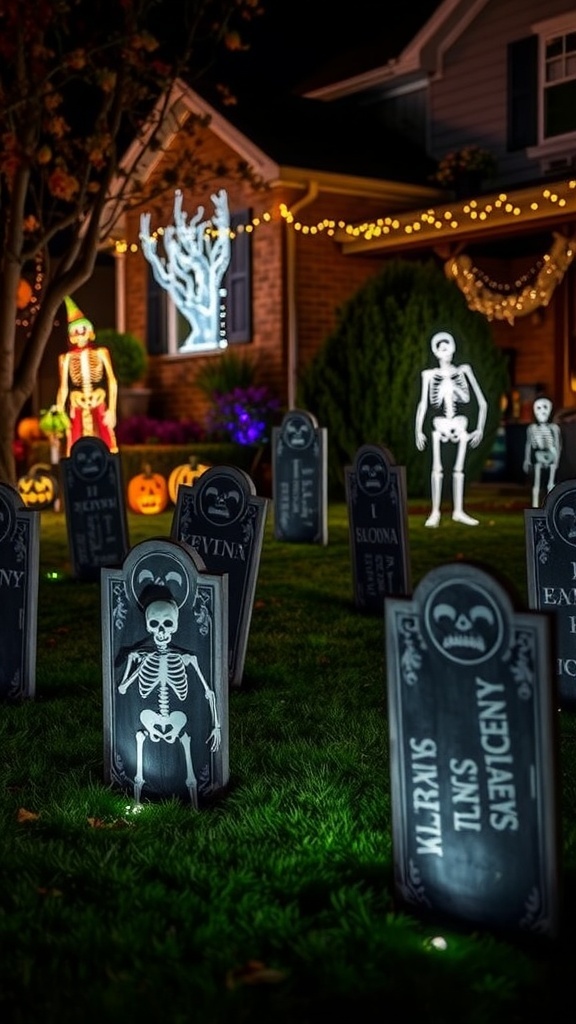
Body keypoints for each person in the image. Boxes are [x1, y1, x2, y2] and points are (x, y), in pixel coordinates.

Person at [415, 330, 487, 527]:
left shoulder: (463, 371)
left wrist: (479, 428)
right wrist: (418, 430)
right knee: (436, 468)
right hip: (440, 425)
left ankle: (458, 511)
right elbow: (423, 404)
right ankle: (435, 512)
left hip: (459, 424)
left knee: (458, 470)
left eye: (448, 347)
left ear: (453, 349)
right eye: (441, 348)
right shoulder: (429, 375)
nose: (445, 352)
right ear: (436, 352)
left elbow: (481, 402)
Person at [56, 296, 118, 456]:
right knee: (74, 440)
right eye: (76, 331)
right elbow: (63, 387)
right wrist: (59, 413)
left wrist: (112, 409)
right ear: (71, 335)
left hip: (98, 399)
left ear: (90, 331)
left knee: (107, 440)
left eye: (83, 329)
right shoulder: (66, 358)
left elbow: (112, 380)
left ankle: (110, 468)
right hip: (78, 402)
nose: (80, 334)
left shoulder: (101, 353)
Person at [523, 396, 561, 507]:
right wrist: (527, 460)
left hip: (551, 455)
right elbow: (529, 444)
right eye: (538, 408)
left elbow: (557, 445)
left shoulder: (554, 428)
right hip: (539, 456)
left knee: (551, 484)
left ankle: (550, 506)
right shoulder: (532, 428)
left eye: (545, 407)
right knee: (536, 484)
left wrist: (556, 461)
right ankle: (535, 506)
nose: (542, 411)